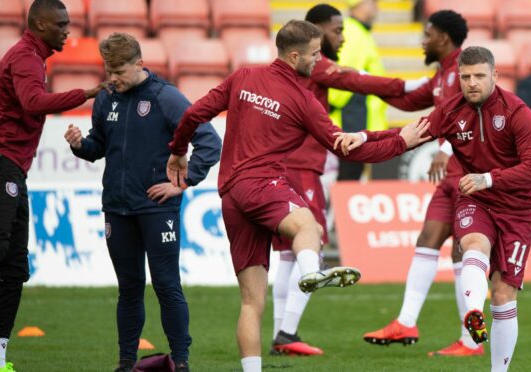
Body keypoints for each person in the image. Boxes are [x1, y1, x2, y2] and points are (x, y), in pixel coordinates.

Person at [165, 20, 431, 372]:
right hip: (263, 186)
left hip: (230, 194)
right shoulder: (301, 100)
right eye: (314, 54)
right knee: (310, 226)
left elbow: (194, 113)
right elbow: (345, 148)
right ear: (294, 56)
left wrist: (178, 150)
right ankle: (312, 271)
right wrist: (402, 141)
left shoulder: (242, 78)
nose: (318, 60)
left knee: (250, 302)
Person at [339, 46, 531, 372]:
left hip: (516, 209)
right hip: (474, 198)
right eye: (465, 77)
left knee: (504, 295)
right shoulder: (450, 110)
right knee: (473, 244)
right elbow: (402, 138)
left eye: (479, 76)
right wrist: (363, 137)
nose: (472, 83)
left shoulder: (517, 112)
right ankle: (473, 312)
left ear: (495, 75)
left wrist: (488, 178)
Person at [270, 3, 425, 356]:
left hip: (286, 163)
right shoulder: (316, 63)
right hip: (301, 166)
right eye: (337, 30)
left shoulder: (286, 67)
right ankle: (286, 333)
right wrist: (412, 84)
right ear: (317, 30)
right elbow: (356, 79)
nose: (342, 37)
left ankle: (283, 334)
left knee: (288, 255)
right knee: (310, 242)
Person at [64, 33, 222, 372]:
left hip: (156, 208)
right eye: (109, 70)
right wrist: (80, 146)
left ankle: (180, 360)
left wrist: (183, 182)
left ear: (139, 63)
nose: (113, 78)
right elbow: (98, 147)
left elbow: (209, 141)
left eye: (119, 70)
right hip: (117, 209)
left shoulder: (166, 97)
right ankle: (125, 363)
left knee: (166, 284)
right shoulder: (106, 99)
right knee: (129, 289)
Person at [0, 1, 108, 371]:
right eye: (61, 24)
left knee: (16, 265)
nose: (68, 31)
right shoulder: (25, 57)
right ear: (40, 23)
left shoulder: (28, 57)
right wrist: (86, 94)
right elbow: (33, 102)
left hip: (12, 167)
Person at [363, 10, 485, 357]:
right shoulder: (443, 74)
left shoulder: (466, 70)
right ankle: (405, 321)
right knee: (428, 238)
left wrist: (445, 147)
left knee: (464, 249)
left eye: (427, 33)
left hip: (469, 176)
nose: (422, 40)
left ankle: (470, 341)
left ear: (443, 37)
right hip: (451, 178)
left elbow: (476, 112)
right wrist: (352, 80)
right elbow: (404, 98)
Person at [328, 0, 388, 181]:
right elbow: (341, 76)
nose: (377, 7)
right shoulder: (355, 33)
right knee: (346, 182)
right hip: (351, 124)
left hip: (355, 123)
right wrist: (330, 106)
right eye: (373, 2)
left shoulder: (358, 32)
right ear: (360, 4)